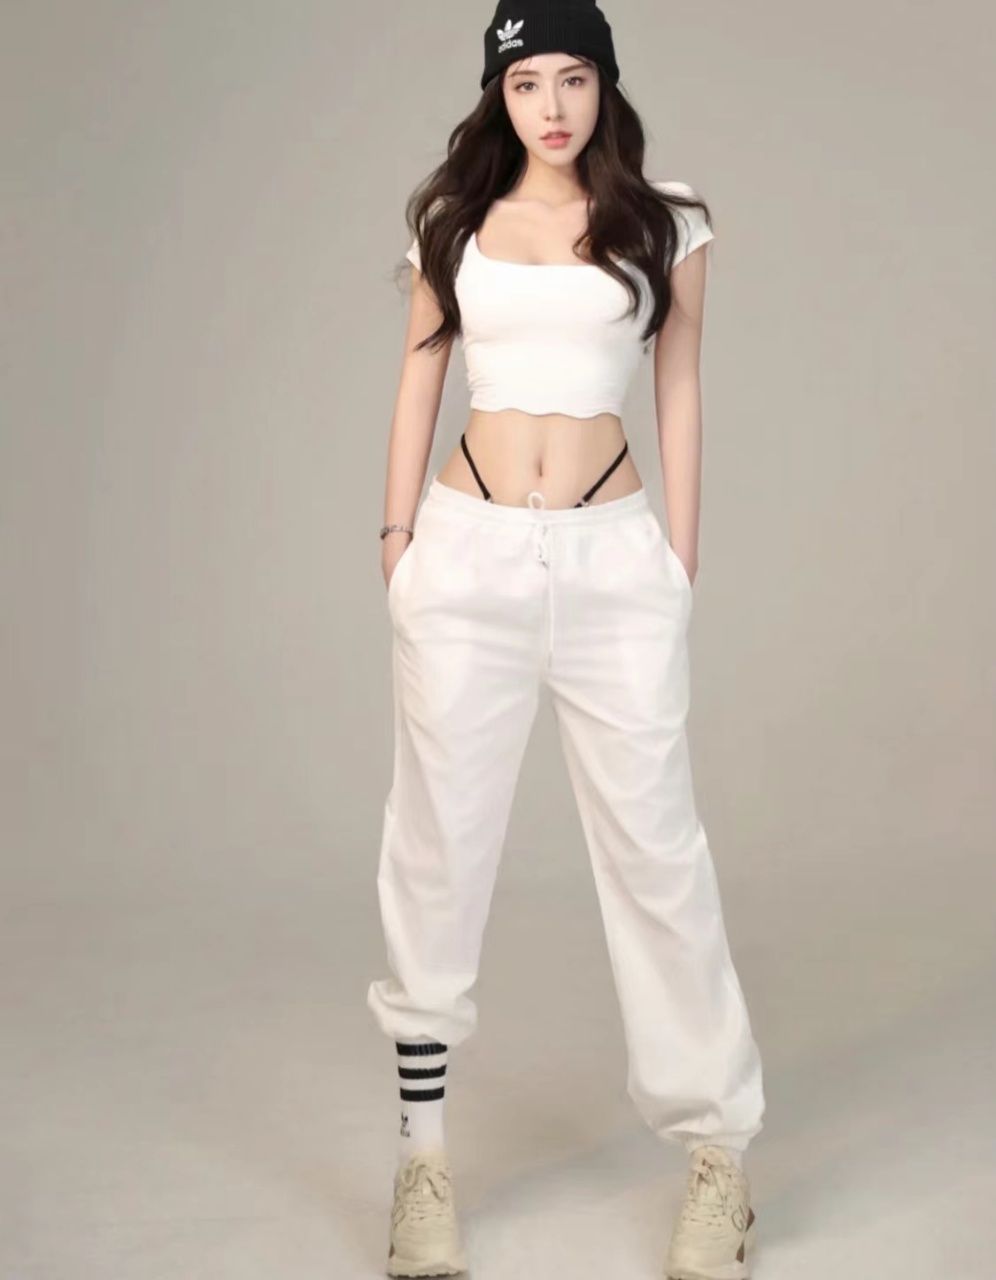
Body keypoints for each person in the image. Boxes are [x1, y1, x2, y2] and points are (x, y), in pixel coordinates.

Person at [366, 2, 765, 1275]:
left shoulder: (668, 220)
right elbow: (421, 373)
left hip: (612, 562)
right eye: (527, 80)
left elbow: (681, 381)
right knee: (438, 846)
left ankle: (717, 1155)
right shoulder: (455, 219)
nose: (551, 105)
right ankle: (422, 1160)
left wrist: (678, 557)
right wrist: (397, 543)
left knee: (658, 851)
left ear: (605, 86)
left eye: (574, 77)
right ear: (499, 93)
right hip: (466, 555)